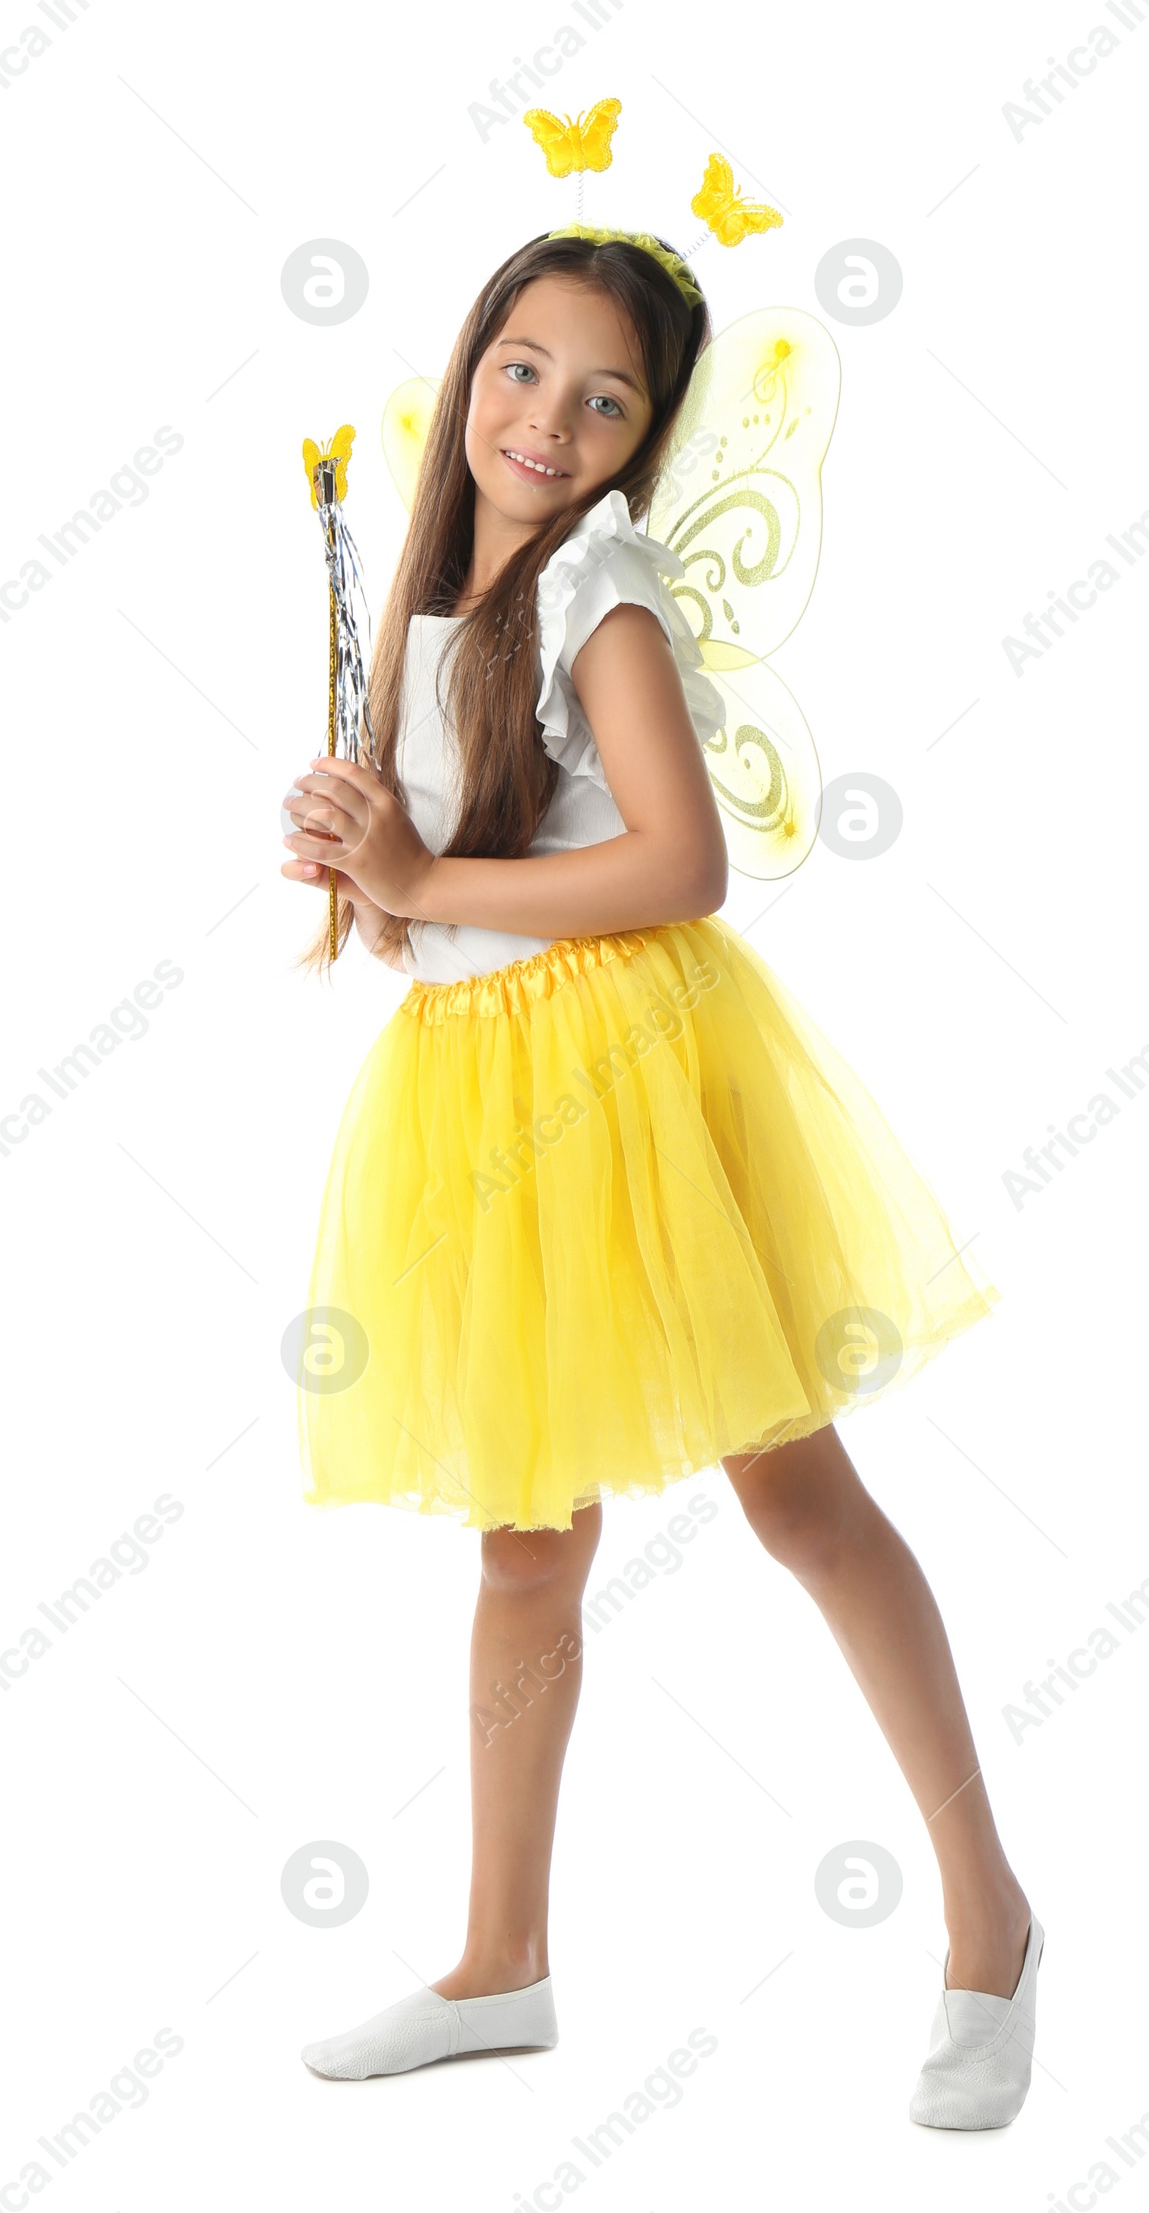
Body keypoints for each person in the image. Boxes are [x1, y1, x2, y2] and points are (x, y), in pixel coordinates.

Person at [280, 227, 1042, 2126]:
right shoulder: (433, 575)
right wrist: (365, 867)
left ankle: (990, 1919)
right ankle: (500, 1961)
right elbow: (442, 890)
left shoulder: (599, 585)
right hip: (475, 1093)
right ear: (472, 366)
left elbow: (680, 863)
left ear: (645, 439)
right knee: (526, 1540)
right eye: (523, 367)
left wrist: (427, 883)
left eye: (605, 397)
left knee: (797, 1499)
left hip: (626, 1076)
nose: (549, 418)